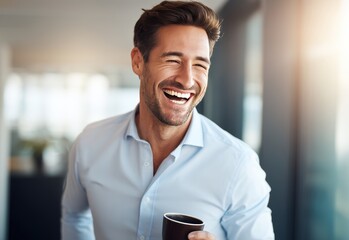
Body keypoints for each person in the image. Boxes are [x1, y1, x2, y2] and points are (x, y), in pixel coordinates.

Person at [61, 1, 274, 239]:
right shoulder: (90, 144)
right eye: (173, 60)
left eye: (200, 64)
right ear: (138, 61)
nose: (187, 80)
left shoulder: (238, 165)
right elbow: (75, 217)